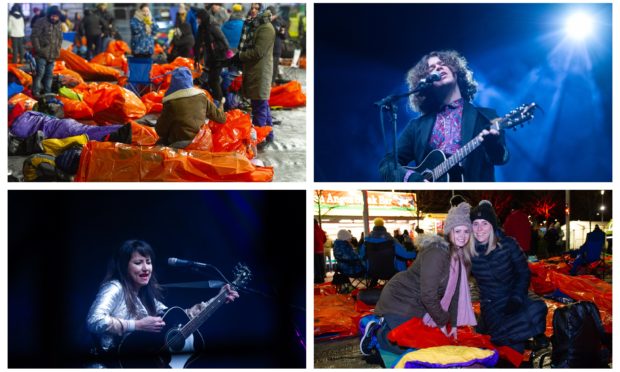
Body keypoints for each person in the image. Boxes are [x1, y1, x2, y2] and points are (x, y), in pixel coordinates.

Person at [86, 240, 238, 364]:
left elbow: (180, 317)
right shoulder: (115, 287)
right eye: (138, 263)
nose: (146, 268)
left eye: (148, 262)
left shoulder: (147, 296)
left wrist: (218, 298)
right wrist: (137, 325)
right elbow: (94, 320)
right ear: (124, 266)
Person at [361, 202, 477, 355]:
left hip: (420, 307)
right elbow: (428, 295)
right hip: (400, 300)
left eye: (466, 231)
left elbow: (455, 295)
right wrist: (442, 322)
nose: (462, 236)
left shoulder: (461, 258)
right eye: (457, 231)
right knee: (412, 349)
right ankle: (378, 332)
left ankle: (392, 327)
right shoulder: (437, 253)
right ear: (449, 232)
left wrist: (454, 324)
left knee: (435, 345)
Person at [379, 50, 509, 182]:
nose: (438, 67)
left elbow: (500, 158)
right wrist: (412, 178)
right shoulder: (416, 126)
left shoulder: (486, 115)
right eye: (432, 68)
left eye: (442, 64)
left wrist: (493, 144)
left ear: (456, 71)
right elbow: (387, 165)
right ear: (427, 83)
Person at [469, 200, 548, 360]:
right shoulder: (469, 251)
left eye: (484, 223)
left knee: (537, 308)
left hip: (513, 296)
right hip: (491, 304)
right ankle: (523, 341)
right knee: (507, 346)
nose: (479, 229)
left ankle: (530, 340)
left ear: (492, 225)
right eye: (475, 224)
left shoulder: (508, 244)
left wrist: (517, 297)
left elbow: (523, 273)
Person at [231, 6, 276, 143]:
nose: (253, 10)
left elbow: (258, 52)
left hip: (260, 71)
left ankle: (258, 140)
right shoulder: (255, 26)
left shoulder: (266, 28)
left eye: (256, 8)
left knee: (259, 107)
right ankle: (268, 135)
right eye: (252, 7)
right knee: (261, 104)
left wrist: (240, 56)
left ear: (262, 10)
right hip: (255, 70)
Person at [155, 67, 226, 148]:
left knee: (159, 144)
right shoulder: (202, 97)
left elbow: (161, 131)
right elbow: (221, 118)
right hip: (201, 143)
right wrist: (221, 105)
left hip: (179, 144)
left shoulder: (171, 102)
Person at [194, 9, 230, 104]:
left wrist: (216, 48)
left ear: (203, 18)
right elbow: (198, 43)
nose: (197, 20)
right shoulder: (202, 27)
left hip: (219, 57)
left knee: (213, 80)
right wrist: (196, 58)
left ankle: (220, 101)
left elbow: (224, 42)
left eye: (199, 18)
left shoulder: (213, 26)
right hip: (210, 57)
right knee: (211, 80)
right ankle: (218, 100)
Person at [31, 6, 63, 98]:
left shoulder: (58, 24)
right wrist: (38, 49)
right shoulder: (41, 22)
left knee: (49, 75)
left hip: (52, 55)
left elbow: (60, 38)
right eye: (53, 16)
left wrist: (58, 49)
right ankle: (36, 92)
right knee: (40, 74)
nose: (54, 18)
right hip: (42, 54)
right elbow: (34, 36)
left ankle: (47, 93)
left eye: (56, 16)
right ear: (49, 15)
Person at [267, 5, 287, 85]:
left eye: (271, 15)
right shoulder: (265, 22)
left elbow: (284, 36)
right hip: (267, 49)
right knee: (267, 68)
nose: (270, 17)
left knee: (274, 68)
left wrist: (283, 32)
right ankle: (269, 83)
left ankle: (271, 83)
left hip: (276, 49)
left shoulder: (280, 22)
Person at [314, 219, 327, 284]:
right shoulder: (321, 230)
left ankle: (318, 278)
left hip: (314, 250)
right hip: (321, 250)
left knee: (316, 265)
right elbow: (325, 239)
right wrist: (321, 243)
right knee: (321, 264)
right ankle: (322, 277)